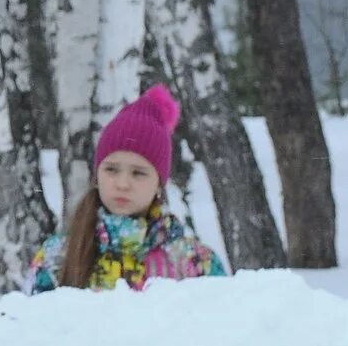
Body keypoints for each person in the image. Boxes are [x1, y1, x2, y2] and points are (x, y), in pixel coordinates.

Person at [27, 86, 231, 292]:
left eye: (138, 173)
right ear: (97, 176)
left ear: (159, 184)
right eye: (111, 170)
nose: (122, 184)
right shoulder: (57, 256)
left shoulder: (196, 263)